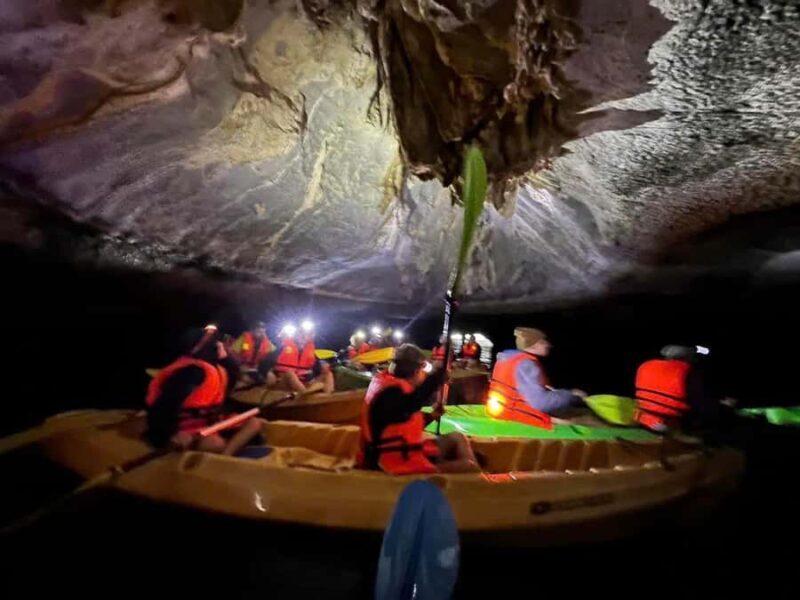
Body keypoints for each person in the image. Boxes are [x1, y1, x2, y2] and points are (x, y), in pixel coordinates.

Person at [357, 344, 480, 474]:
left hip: (404, 450)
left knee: (457, 437)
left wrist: (431, 416)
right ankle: (480, 486)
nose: (424, 375)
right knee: (470, 467)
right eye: (423, 371)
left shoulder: (390, 388)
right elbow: (410, 403)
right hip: (391, 461)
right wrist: (436, 380)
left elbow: (401, 418)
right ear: (416, 372)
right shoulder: (391, 393)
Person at [145, 325, 265, 454]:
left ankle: (225, 455)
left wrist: (225, 358)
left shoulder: (216, 369)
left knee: (256, 423)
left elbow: (232, 375)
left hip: (208, 423)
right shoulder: (192, 371)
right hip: (184, 427)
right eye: (217, 344)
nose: (221, 346)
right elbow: (163, 406)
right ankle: (221, 457)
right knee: (216, 443)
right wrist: (170, 434)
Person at [488, 327, 586, 426]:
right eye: (543, 342)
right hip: (519, 418)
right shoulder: (527, 364)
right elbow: (540, 403)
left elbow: (517, 388)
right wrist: (571, 396)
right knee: (588, 420)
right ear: (533, 346)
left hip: (503, 412)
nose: (548, 345)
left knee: (571, 414)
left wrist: (547, 389)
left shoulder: (507, 358)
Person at [633, 345, 725, 433]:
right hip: (669, 423)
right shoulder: (688, 372)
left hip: (644, 418)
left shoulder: (646, 365)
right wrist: (722, 406)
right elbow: (701, 403)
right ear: (688, 358)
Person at [271, 324, 334, 394]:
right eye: (300, 334)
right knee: (290, 373)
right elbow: (268, 363)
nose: (302, 337)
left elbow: (318, 367)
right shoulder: (282, 346)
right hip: (284, 382)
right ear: (295, 335)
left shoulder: (310, 350)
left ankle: (326, 397)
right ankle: (306, 394)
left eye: (306, 335)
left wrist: (324, 366)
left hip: (303, 382)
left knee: (328, 374)